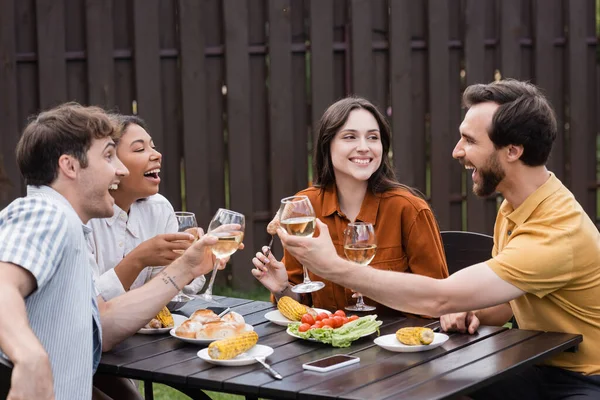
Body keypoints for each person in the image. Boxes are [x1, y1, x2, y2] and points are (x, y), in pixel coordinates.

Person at [276, 80, 600, 398]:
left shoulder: (557, 231)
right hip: (537, 364)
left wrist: (332, 266)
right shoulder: (517, 207)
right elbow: (506, 303)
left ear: (513, 150)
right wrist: (474, 311)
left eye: (469, 141)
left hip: (586, 379)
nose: (457, 151)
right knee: (423, 385)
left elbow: (439, 298)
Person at [0, 103, 222, 400]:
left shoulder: (72, 227)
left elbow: (104, 324)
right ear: (70, 166)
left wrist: (186, 268)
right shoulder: (46, 212)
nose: (119, 168)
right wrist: (28, 356)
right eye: (108, 155)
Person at [252, 96, 448, 312]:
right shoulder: (304, 208)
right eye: (350, 137)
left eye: (373, 137)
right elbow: (302, 303)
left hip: (395, 341)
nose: (364, 147)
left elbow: (439, 301)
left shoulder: (409, 209)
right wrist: (281, 288)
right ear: (328, 146)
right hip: (326, 342)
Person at [88, 114, 204, 302]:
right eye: (140, 149)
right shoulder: (83, 217)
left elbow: (167, 293)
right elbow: (87, 305)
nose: (157, 155)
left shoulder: (159, 208)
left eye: (153, 146)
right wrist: (138, 259)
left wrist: (189, 261)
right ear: (109, 160)